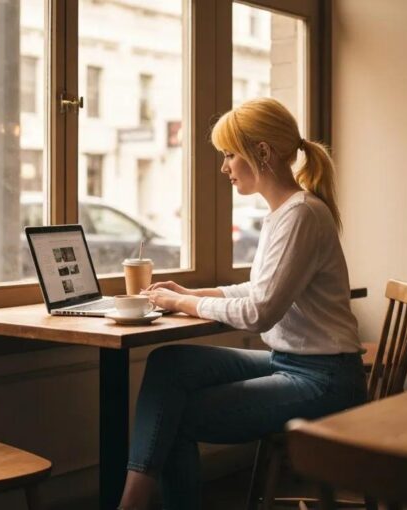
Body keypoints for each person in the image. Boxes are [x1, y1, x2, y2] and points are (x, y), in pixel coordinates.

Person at [118, 98, 365, 510]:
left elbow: (259, 311)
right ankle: (135, 501)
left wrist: (184, 303)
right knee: (168, 364)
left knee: (176, 417)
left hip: (325, 380)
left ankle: (132, 503)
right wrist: (194, 295)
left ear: (262, 153)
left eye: (230, 154)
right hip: (293, 363)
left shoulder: (301, 215)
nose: (224, 167)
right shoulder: (284, 214)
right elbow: (255, 288)